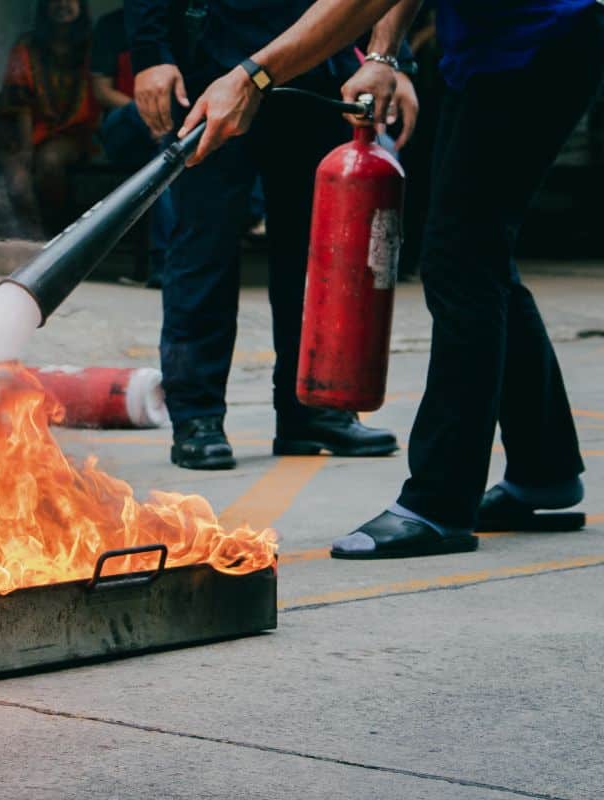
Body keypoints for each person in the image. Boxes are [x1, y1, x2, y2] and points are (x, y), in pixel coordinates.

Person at [174, 0, 600, 557]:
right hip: (501, 51)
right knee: (478, 255)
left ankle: (439, 504)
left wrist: (253, 75)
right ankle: (544, 472)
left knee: (461, 259)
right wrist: (382, 53)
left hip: (537, 45)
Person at [126, 0, 416, 470]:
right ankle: (198, 415)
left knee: (318, 255)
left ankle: (312, 409)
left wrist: (390, 59)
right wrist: (151, 53)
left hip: (320, 68)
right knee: (204, 248)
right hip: (212, 66)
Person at [90, 8, 174, 288]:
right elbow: (101, 91)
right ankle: (164, 264)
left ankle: (163, 265)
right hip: (124, 125)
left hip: (166, 130)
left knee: (165, 158)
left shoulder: (179, 21)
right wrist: (150, 113)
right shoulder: (111, 25)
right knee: (167, 149)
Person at [2, 0, 100, 238]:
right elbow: (18, 103)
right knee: (18, 180)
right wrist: (25, 151)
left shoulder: (92, 46)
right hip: (24, 133)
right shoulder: (27, 47)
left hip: (76, 135)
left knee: (50, 161)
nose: (63, 5)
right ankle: (33, 242)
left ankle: (60, 238)